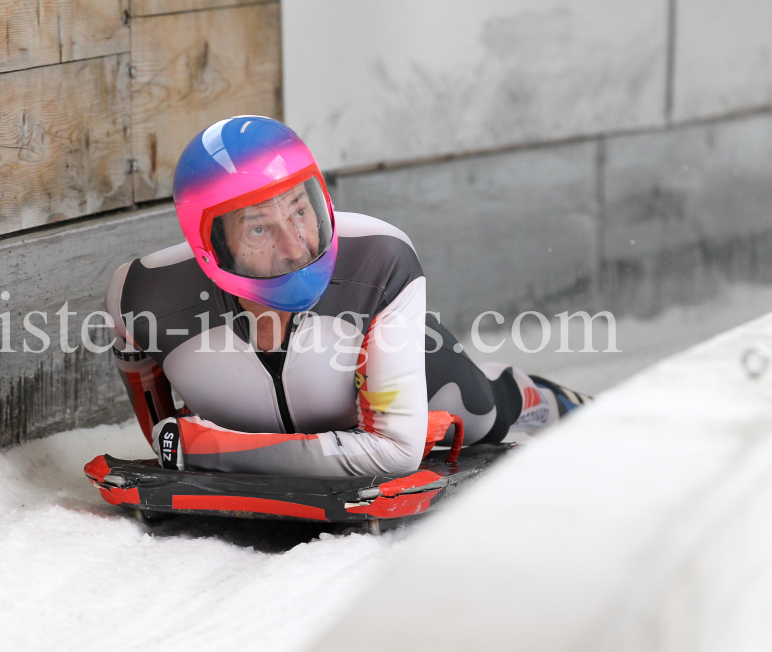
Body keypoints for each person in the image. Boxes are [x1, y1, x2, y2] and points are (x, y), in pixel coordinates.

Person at [105, 116, 589, 476]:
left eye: (301, 209)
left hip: (407, 369)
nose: (295, 246)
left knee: (483, 409)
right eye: (258, 228)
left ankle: (542, 397)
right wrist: (194, 444)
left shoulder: (380, 258)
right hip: (332, 423)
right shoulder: (138, 296)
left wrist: (209, 447)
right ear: (209, 244)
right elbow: (161, 438)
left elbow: (395, 454)